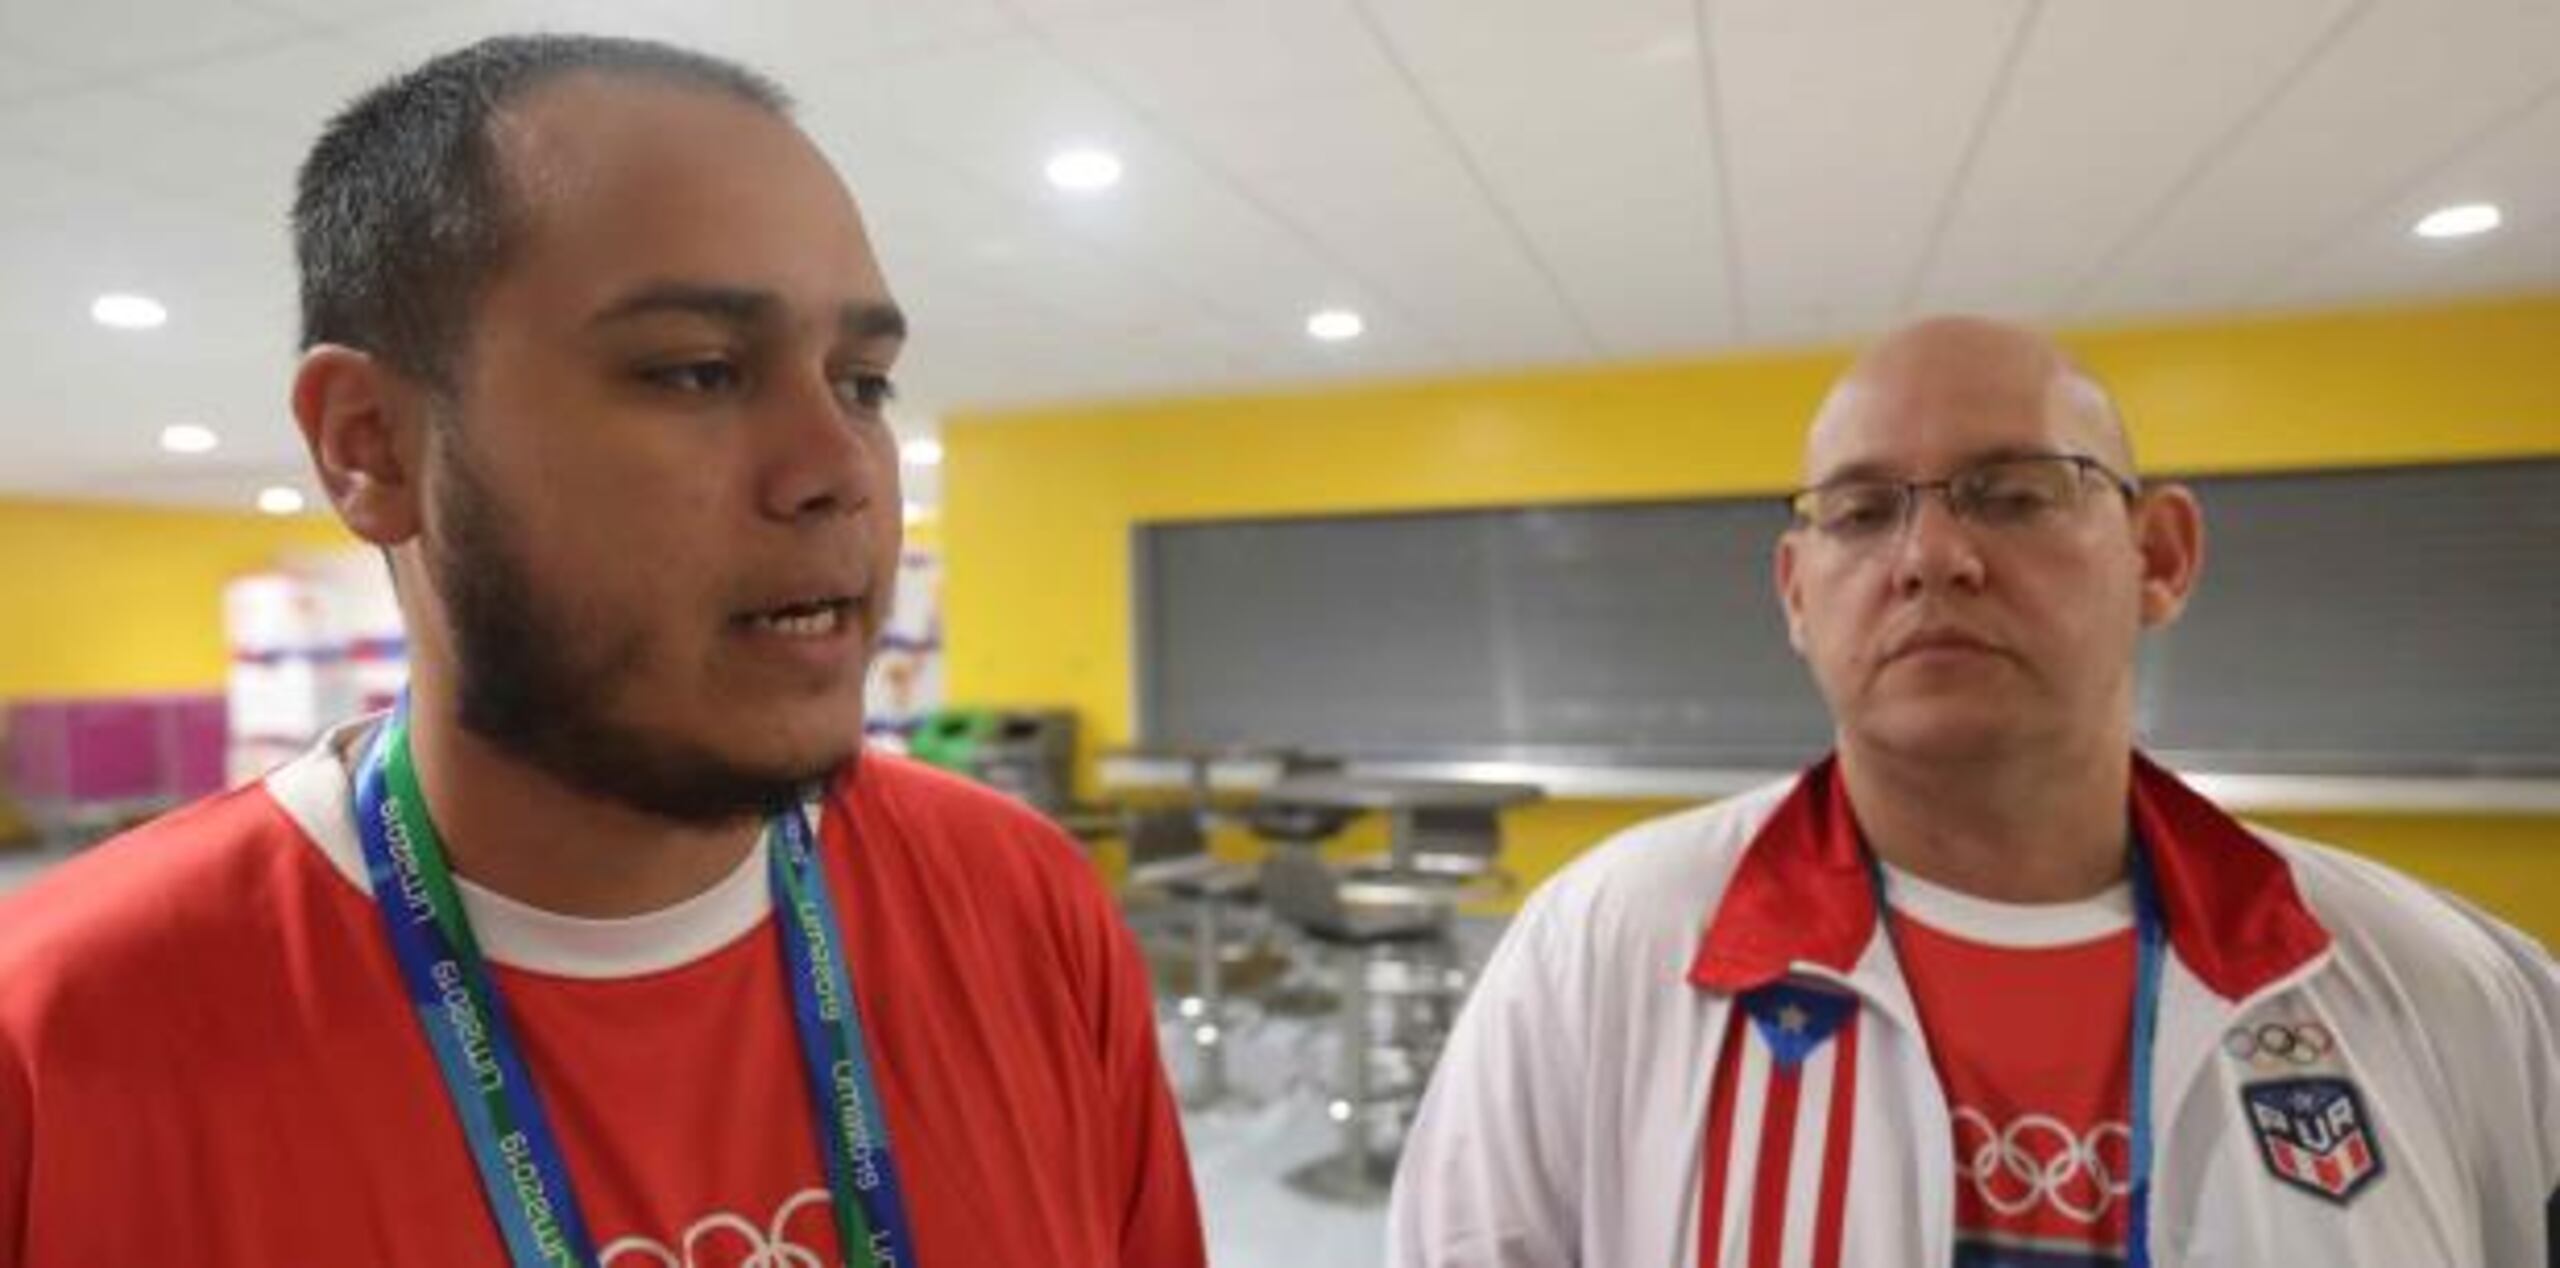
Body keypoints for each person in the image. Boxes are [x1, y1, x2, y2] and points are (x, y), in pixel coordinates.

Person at [0, 34, 1205, 1268]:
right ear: (372, 445)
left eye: (863, 383)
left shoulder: (1022, 902)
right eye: (695, 370)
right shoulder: (56, 1033)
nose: (838, 470)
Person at [1387, 316, 2559, 1266]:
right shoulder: (1601, 946)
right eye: (1858, 511)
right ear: (1798, 592)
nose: (1930, 554)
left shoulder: (2445, 986)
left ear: (2159, 555)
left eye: (2012, 493)